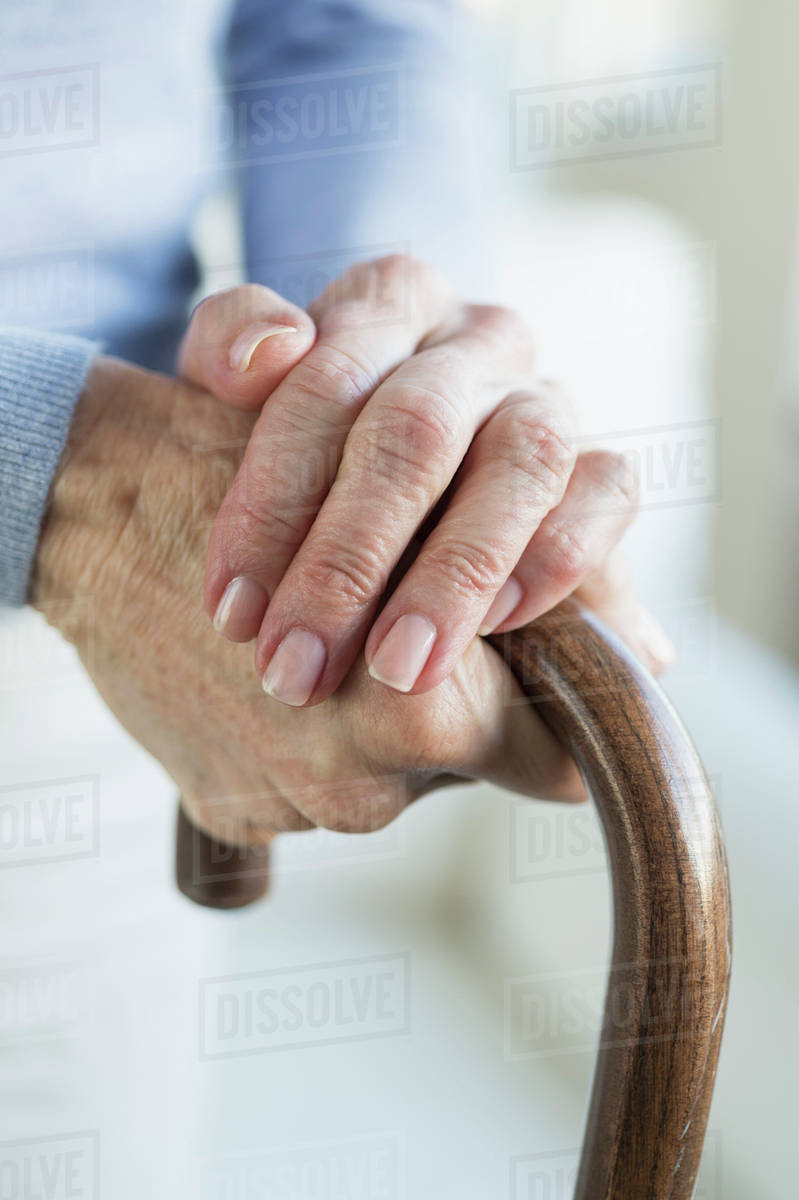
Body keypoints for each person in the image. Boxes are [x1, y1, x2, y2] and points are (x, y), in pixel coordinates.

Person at [1, 0, 672, 849]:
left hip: (149, 667)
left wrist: (358, 387)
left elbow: (345, 24)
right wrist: (68, 483)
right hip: (136, 569)